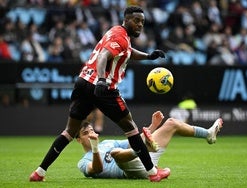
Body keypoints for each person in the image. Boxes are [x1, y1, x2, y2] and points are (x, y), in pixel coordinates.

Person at [29, 6, 168, 182]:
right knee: (131, 128)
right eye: (136, 20)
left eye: (142, 21)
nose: (140, 24)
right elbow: (103, 55)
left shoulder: (116, 33)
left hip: (83, 82)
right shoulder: (120, 37)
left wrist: (148, 56)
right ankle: (153, 173)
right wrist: (102, 80)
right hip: (102, 87)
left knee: (69, 132)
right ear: (126, 20)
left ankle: (39, 172)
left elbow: (127, 52)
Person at [76, 111, 223, 179]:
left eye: (91, 130)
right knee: (115, 153)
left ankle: (208, 134)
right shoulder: (83, 162)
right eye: (86, 133)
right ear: (78, 140)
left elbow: (133, 141)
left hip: (146, 159)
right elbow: (96, 169)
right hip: (132, 171)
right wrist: (95, 147)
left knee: (171, 123)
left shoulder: (107, 142)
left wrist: (153, 126)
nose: (91, 134)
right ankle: (144, 149)